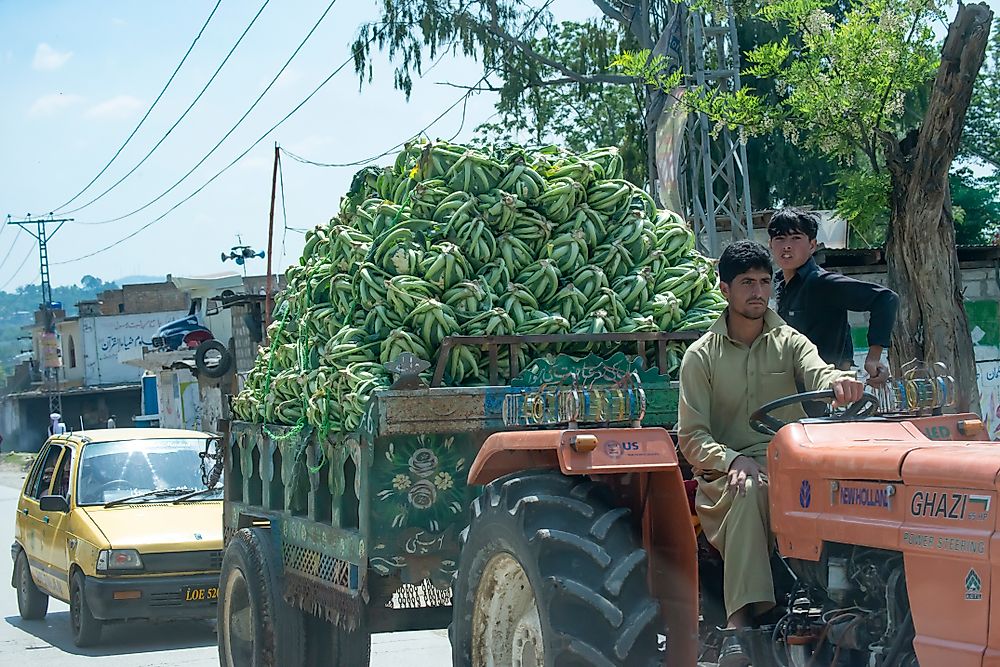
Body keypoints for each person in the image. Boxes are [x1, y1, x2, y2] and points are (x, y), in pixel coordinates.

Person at [677, 240, 864, 667]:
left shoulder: (790, 341)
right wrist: (732, 460)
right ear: (725, 289)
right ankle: (739, 628)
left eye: (764, 282)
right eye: (747, 283)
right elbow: (691, 437)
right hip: (725, 476)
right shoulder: (700, 357)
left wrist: (841, 381)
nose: (758, 292)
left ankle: (853, 601)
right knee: (750, 489)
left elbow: (819, 369)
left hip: (793, 462)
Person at [768, 207, 899, 382]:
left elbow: (885, 298)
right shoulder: (777, 285)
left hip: (824, 387)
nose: (787, 246)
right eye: (780, 239)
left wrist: (874, 356)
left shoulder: (823, 282)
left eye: (796, 238)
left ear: (812, 245)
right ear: (770, 245)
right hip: (791, 386)